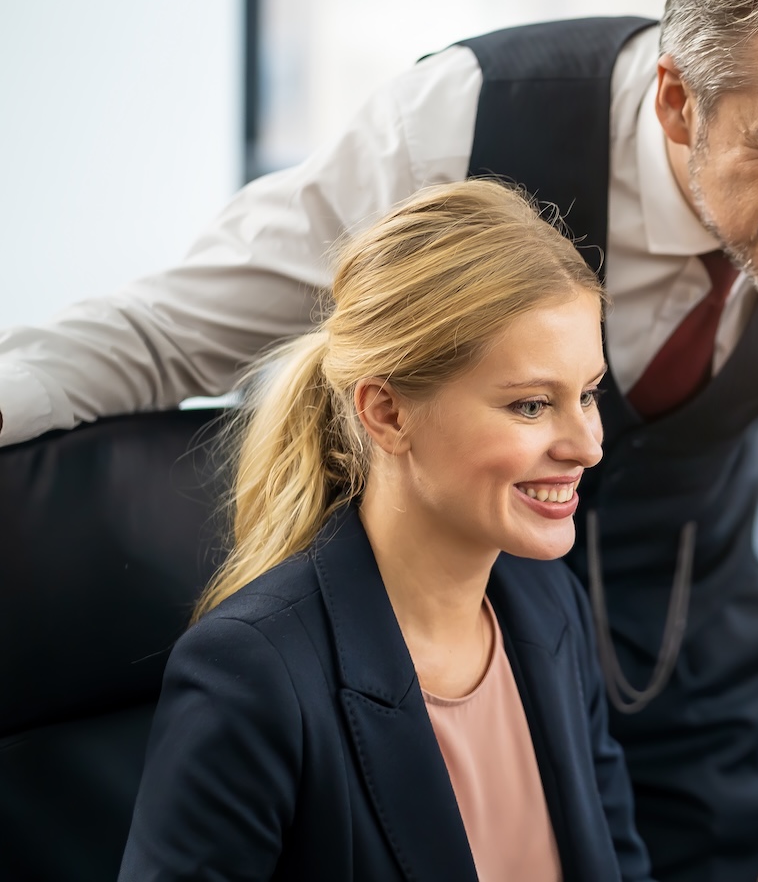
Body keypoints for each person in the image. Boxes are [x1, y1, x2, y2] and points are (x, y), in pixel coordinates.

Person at [0, 0, 758, 880]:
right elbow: (162, 334)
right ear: (679, 101)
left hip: (691, 692)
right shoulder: (466, 121)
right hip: (409, 687)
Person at [118, 180, 652, 881]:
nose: (587, 445)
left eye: (587, 394)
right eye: (531, 405)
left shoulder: (550, 606)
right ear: (388, 415)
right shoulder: (253, 675)